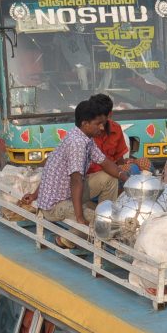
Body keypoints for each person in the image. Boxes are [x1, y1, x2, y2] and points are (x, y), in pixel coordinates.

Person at [21, 100, 132, 246]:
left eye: (103, 123)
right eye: (98, 123)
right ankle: (67, 239)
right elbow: (76, 181)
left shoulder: (85, 138)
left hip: (68, 193)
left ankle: (101, 216)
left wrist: (128, 179)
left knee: (110, 178)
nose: (102, 127)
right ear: (85, 124)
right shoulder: (77, 143)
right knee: (100, 220)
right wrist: (79, 216)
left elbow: (104, 162)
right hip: (56, 204)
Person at [85, 94, 151, 203]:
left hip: (112, 170)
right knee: (113, 177)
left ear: (109, 115)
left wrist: (128, 167)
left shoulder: (116, 129)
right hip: (91, 179)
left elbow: (119, 161)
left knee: (141, 166)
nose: (99, 126)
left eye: (101, 120)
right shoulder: (86, 132)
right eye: (95, 120)